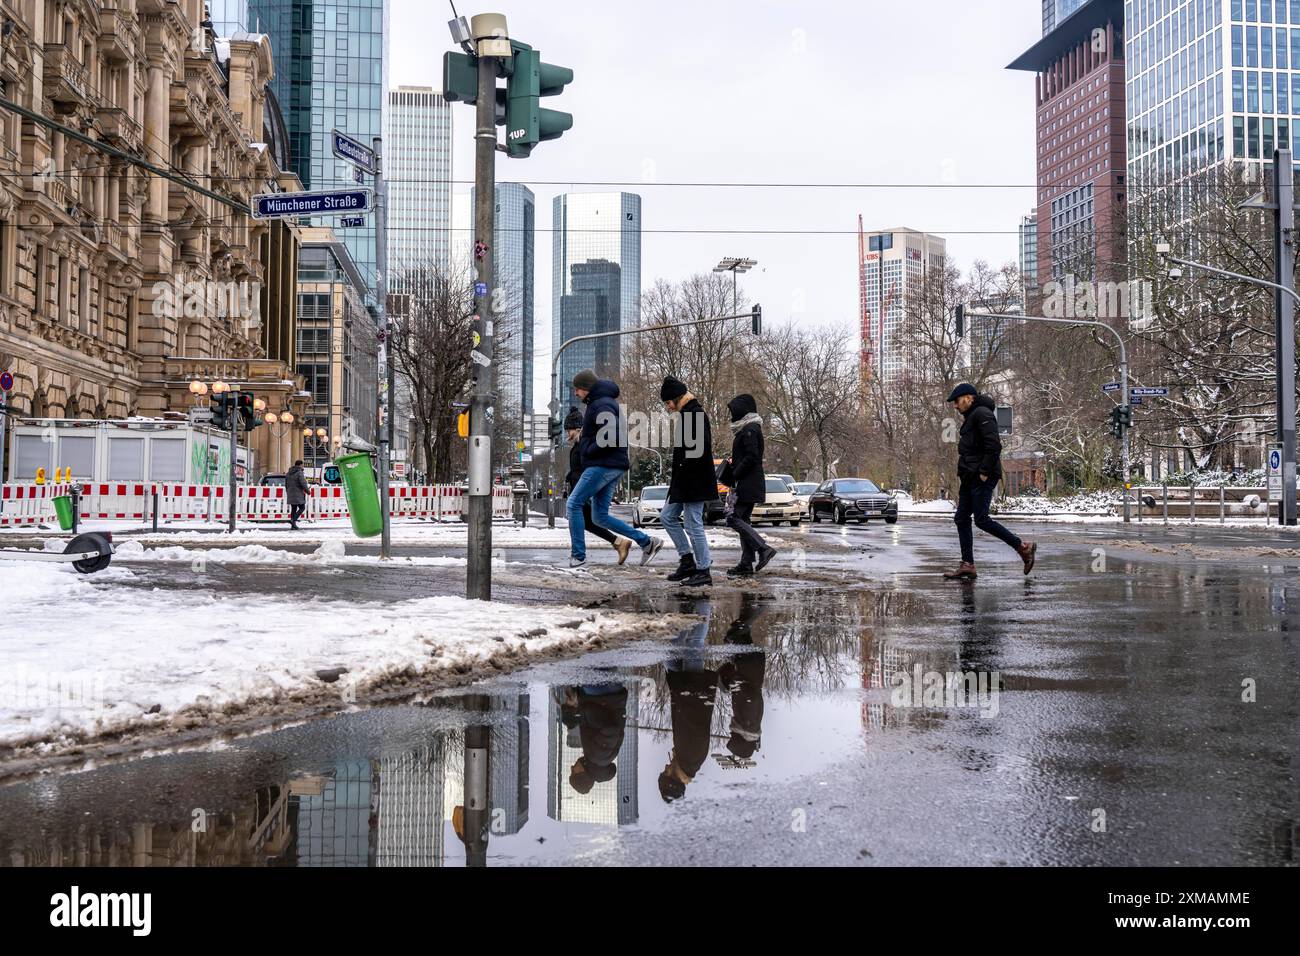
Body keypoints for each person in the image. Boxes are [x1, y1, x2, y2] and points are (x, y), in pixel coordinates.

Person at [566, 368, 665, 569]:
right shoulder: (603, 401)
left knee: (574, 504)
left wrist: (588, 449)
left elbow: (610, 435)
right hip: (612, 463)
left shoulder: (600, 403)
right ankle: (647, 542)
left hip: (603, 463)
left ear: (585, 388)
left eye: (577, 389)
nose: (576, 393)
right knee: (599, 516)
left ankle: (578, 557)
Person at [943, 383, 1037, 581]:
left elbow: (994, 445)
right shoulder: (971, 417)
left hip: (981, 476)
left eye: (957, 401)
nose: (955, 406)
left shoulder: (982, 414)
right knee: (961, 518)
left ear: (969, 398)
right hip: (969, 476)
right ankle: (967, 564)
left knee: (981, 519)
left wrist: (984, 472)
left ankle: (1023, 547)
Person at [659, 376, 715, 587]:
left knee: (693, 525)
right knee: (667, 517)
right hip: (683, 482)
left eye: (667, 403)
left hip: (694, 481)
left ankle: (703, 569)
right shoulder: (687, 415)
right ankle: (687, 561)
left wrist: (686, 475)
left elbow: (699, 451)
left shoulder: (695, 415)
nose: (667, 407)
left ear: (676, 398)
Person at [564, 408, 633, 565]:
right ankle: (619, 542)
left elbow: (588, 469)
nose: (567, 433)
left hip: (583, 492)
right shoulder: (578, 446)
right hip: (582, 491)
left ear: (578, 428)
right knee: (590, 522)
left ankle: (578, 556)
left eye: (569, 430)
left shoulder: (582, 445)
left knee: (586, 518)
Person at [720, 394, 777, 577]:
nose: (732, 415)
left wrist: (735, 473)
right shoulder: (748, 428)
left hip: (747, 483)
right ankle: (746, 563)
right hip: (748, 482)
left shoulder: (750, 429)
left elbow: (752, 457)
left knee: (733, 518)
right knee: (742, 520)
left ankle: (763, 548)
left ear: (742, 410)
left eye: (734, 411)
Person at [286, 459, 309, 530]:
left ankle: (293, 525)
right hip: (298, 493)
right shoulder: (299, 473)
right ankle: (293, 520)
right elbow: (303, 483)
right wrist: (307, 491)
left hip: (291, 493)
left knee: (294, 508)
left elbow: (286, 484)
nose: (303, 466)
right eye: (302, 465)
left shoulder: (288, 473)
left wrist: (288, 491)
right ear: (300, 465)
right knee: (302, 507)